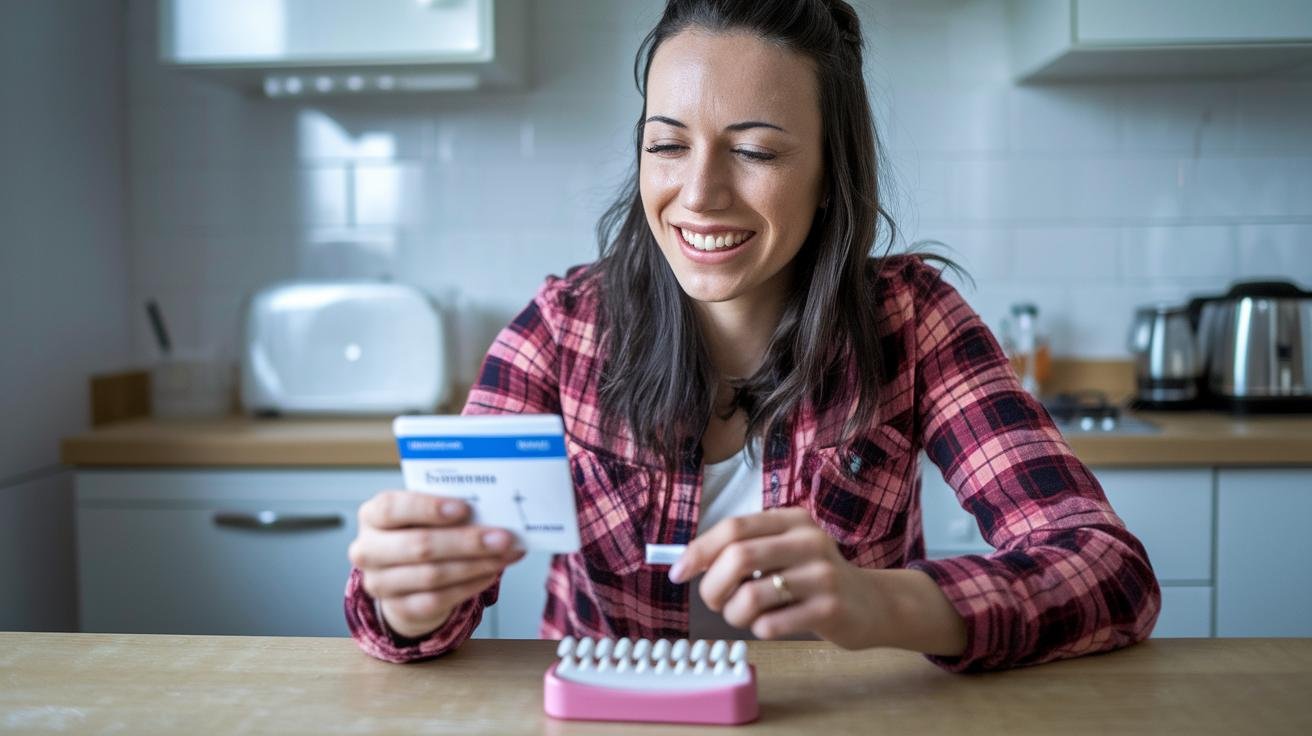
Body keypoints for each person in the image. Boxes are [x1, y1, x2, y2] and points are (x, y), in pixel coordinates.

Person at [344, 0, 1160, 673]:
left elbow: (1109, 569)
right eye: (666, 145)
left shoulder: (911, 321)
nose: (699, 194)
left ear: (828, 169)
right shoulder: (562, 329)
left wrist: (882, 602)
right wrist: (411, 600)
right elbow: (406, 615)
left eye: (755, 150)